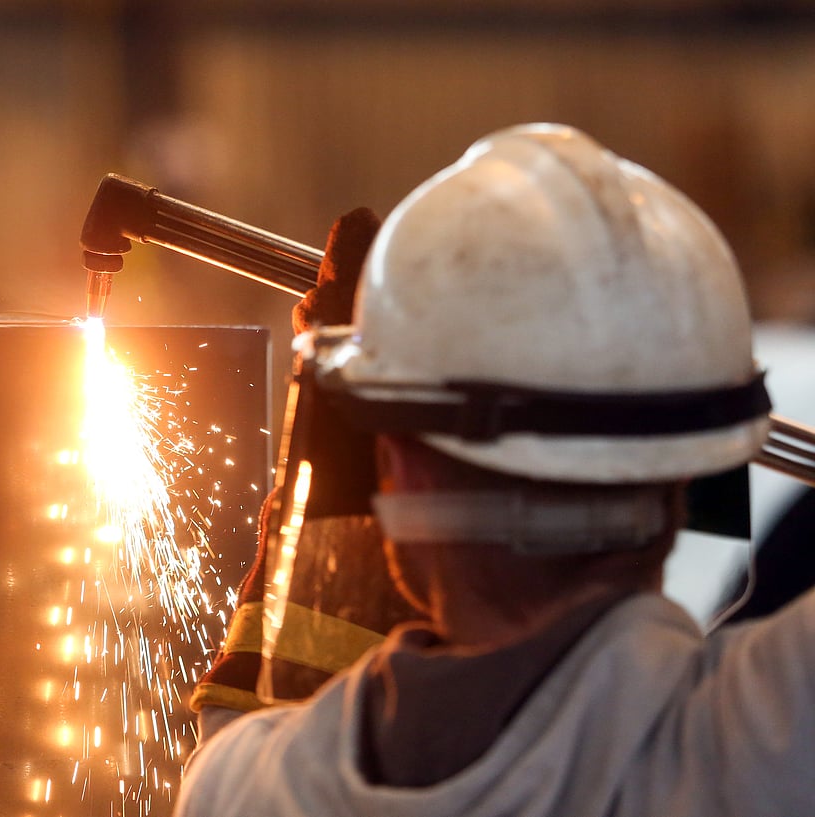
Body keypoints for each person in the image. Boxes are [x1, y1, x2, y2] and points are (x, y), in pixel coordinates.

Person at [177, 123, 813, 816]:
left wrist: (329, 476)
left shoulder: (249, 788)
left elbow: (232, 755)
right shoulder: (765, 740)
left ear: (390, 468)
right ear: (690, 470)